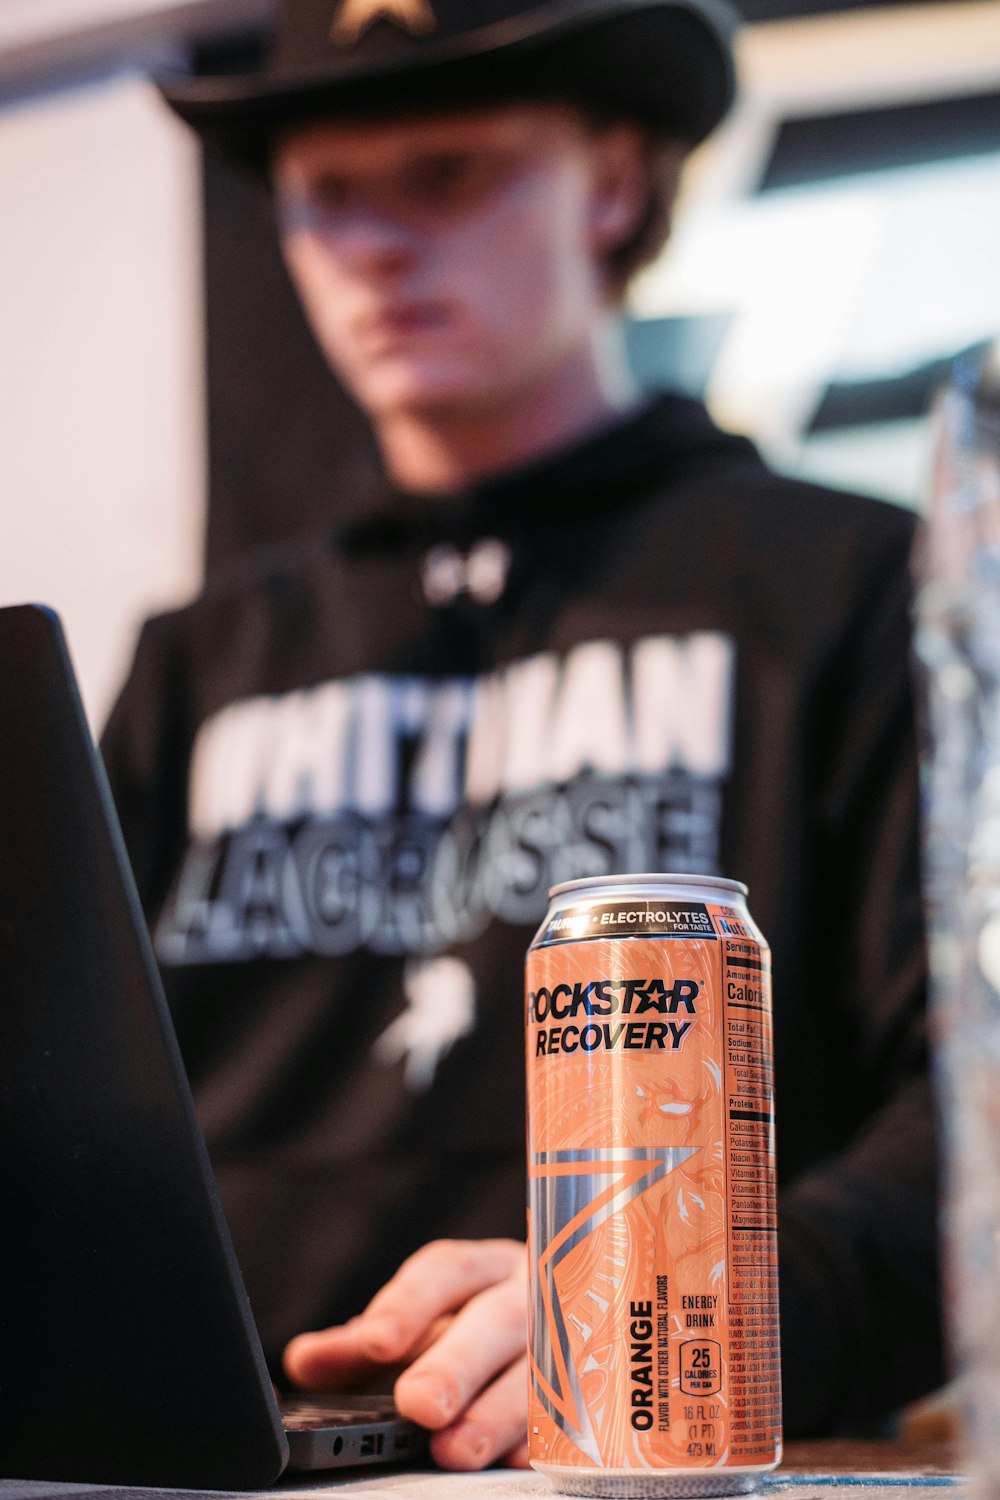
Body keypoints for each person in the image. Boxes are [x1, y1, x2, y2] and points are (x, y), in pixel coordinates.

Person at [102, 0, 944, 1472]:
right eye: (325, 195)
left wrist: (733, 1301)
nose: (371, 247)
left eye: (446, 174)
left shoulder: (855, 589)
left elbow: (972, 1109)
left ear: (612, 184)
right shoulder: (199, 657)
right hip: (220, 1459)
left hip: (671, 1456)